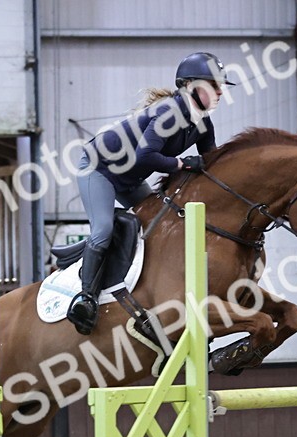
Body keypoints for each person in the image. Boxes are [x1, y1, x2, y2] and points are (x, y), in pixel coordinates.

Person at [66, 52, 234, 335]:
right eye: (213, 86)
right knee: (104, 228)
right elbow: (146, 155)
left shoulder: (202, 122)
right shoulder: (168, 112)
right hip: (98, 168)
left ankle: (147, 293)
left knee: (164, 222)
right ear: (190, 86)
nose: (220, 92)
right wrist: (181, 164)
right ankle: (85, 298)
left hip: (129, 178)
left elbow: (211, 163)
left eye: (221, 87)